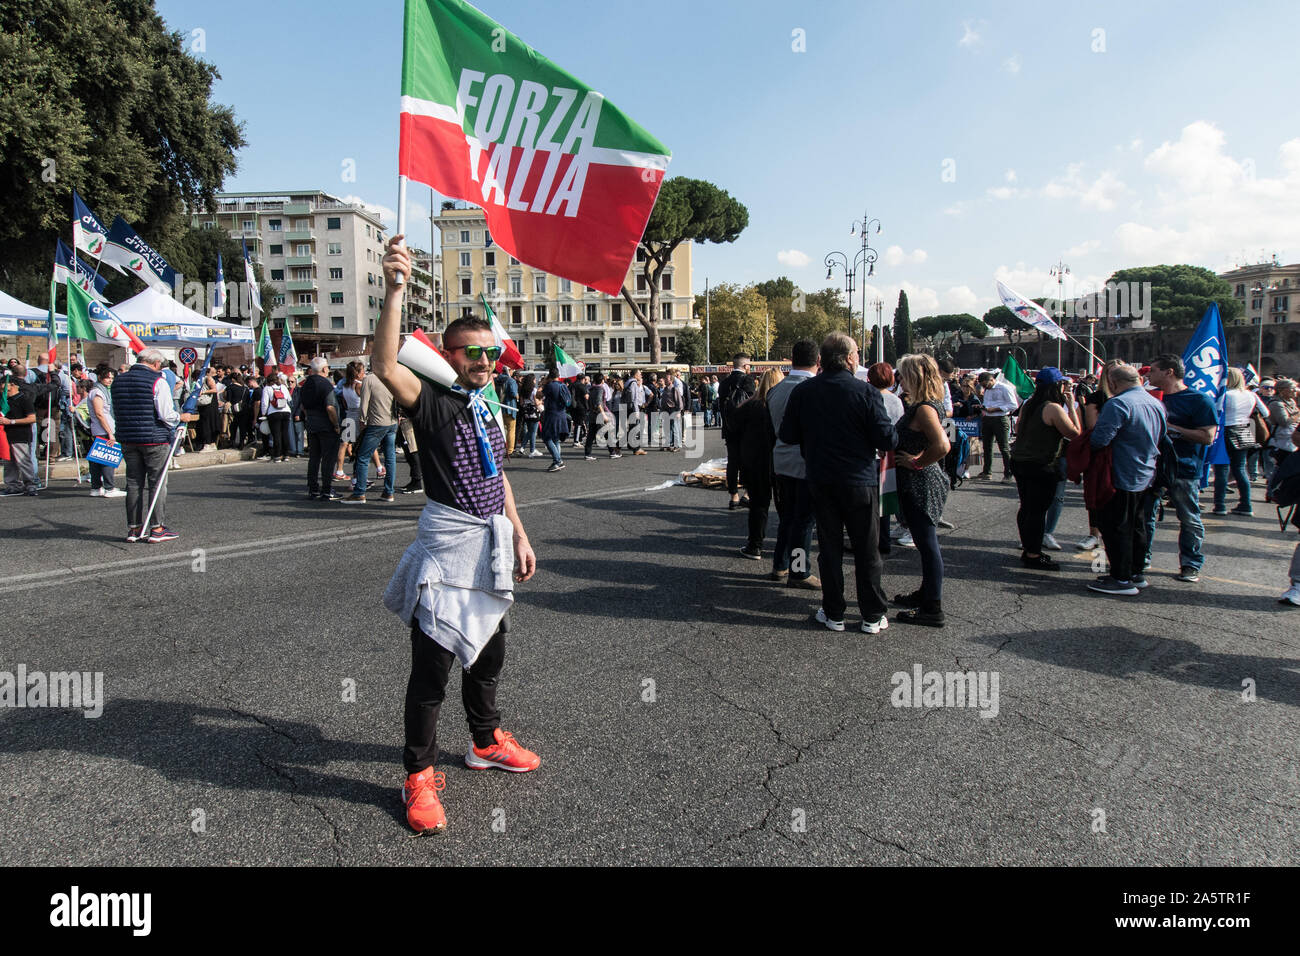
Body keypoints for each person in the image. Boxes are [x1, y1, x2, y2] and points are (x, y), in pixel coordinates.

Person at [374, 235, 540, 835]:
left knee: (491, 652)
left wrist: (519, 534)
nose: (483, 361)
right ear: (448, 355)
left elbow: (501, 483)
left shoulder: (488, 403)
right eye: (471, 353)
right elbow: (385, 366)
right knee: (432, 668)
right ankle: (417, 777)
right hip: (448, 553)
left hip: (491, 545)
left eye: (489, 353)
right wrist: (394, 290)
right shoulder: (437, 400)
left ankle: (484, 739)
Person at [779, 332, 898, 634]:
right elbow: (887, 437)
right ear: (848, 358)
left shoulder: (805, 392)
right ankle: (871, 614)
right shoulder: (866, 392)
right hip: (859, 478)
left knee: (830, 548)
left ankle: (834, 612)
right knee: (867, 549)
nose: (859, 357)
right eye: (857, 352)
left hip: (821, 478)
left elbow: (788, 434)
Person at [1088, 363, 1166, 596]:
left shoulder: (1118, 403)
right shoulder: (1156, 402)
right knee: (1137, 525)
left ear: (1113, 383)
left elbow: (1100, 439)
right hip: (1147, 472)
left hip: (1121, 473)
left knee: (1116, 527)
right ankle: (1135, 572)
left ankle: (1121, 578)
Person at [1142, 354, 1217, 584]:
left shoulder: (1198, 400)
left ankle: (1190, 564)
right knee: (1145, 515)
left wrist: (1171, 427)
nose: (1148, 375)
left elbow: (1207, 437)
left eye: (1153, 370)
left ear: (1169, 372)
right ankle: (1142, 558)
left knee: (1188, 517)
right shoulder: (1150, 397)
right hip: (1152, 466)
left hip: (1184, 468)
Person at [112, 349, 198, 543]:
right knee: (157, 484)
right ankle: (157, 528)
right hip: (154, 438)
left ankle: (133, 528)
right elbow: (166, 414)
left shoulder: (118, 381)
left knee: (133, 483)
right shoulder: (157, 381)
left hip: (128, 438)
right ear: (156, 364)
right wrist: (181, 417)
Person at [892, 355, 952, 627]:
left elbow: (943, 446)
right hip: (922, 479)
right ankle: (927, 593)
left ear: (914, 376)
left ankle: (932, 607)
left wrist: (916, 462)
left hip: (920, 481)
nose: (900, 380)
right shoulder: (925, 404)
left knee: (927, 544)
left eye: (903, 375)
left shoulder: (924, 409)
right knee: (925, 542)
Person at [1008, 368, 1081, 571]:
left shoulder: (1030, 404)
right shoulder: (1053, 408)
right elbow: (1074, 433)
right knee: (1038, 510)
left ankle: (1029, 547)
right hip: (1041, 465)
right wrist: (1072, 407)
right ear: (1057, 386)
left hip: (1021, 461)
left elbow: (1019, 429)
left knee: (1027, 507)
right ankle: (1033, 553)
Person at [766, 340, 820, 588]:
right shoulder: (813, 388)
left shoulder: (776, 389)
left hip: (781, 459)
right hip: (806, 462)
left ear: (791, 359)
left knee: (787, 517)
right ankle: (799, 570)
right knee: (805, 520)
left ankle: (781, 564)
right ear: (818, 360)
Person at [732, 368, 784, 560]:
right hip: (779, 460)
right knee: (785, 507)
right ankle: (783, 549)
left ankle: (755, 546)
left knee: (758, 505)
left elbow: (734, 424)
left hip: (754, 461)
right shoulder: (780, 404)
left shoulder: (751, 405)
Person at [344, 367, 401, 502]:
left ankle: (359, 493)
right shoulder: (391, 376)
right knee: (390, 457)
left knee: (362, 457)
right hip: (392, 421)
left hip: (376, 422)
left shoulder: (369, 380)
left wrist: (362, 421)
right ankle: (389, 491)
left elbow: (364, 404)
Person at [1213, 367, 1258, 516]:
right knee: (1240, 469)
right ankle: (1246, 504)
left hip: (1225, 430)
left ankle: (1219, 505)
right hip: (1244, 429)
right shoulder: (1251, 395)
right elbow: (1266, 413)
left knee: (1221, 469)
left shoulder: (1225, 395)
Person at [300, 357, 342, 501]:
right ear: (324, 369)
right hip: (326, 426)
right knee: (328, 459)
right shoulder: (326, 384)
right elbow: (330, 407)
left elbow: (303, 407)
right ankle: (326, 489)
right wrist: (336, 425)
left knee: (314, 458)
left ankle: (313, 488)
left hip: (312, 424)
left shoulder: (306, 384)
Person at [719, 354, 755, 507]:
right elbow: (752, 405)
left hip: (729, 427)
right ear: (745, 366)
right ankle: (747, 493)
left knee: (732, 461)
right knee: (748, 460)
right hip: (746, 429)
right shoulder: (748, 381)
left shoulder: (724, 383)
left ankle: (733, 495)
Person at [87, 365, 124, 498]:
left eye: (112, 378)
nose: (110, 380)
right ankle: (109, 488)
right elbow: (99, 413)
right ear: (100, 377)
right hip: (103, 429)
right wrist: (110, 432)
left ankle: (96, 487)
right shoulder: (98, 392)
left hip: (102, 428)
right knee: (107, 459)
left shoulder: (101, 390)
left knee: (97, 460)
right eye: (107, 378)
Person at [976, 371, 1019, 480]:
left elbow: (1013, 405)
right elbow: (988, 403)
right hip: (987, 418)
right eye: (983, 386)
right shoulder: (987, 390)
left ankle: (1008, 473)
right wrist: (982, 406)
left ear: (991, 379)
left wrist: (995, 409)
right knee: (987, 447)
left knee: (1004, 447)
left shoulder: (1004, 388)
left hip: (1000, 419)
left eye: (986, 385)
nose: (985, 387)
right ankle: (987, 472)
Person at [1, 374, 39, 496]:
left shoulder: (24, 399)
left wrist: (11, 422)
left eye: (3, 387)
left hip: (20, 434)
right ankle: (13, 485)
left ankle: (30, 484)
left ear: (12, 385)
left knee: (23, 461)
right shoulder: (3, 400)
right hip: (6, 436)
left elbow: (32, 418)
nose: (3, 391)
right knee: (8, 462)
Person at [540, 371, 571, 472]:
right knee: (556, 439)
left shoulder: (550, 386)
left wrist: (542, 384)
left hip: (551, 415)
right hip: (562, 414)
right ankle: (558, 461)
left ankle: (557, 461)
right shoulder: (563, 385)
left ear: (550, 377)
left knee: (547, 438)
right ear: (558, 376)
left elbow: (538, 395)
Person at [1266, 377, 1299, 471]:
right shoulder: (1276, 404)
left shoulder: (1291, 402)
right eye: (1292, 388)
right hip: (1281, 440)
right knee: (1280, 466)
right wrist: (1298, 415)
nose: (1294, 390)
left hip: (1291, 439)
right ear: (1281, 390)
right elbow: (1285, 422)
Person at [517, 373, 541, 457]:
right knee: (533, 432)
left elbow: (521, 402)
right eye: (534, 380)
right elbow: (536, 402)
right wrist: (541, 401)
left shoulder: (523, 390)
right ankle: (532, 450)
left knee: (530, 431)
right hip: (534, 411)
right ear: (532, 381)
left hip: (526, 412)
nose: (535, 381)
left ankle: (522, 448)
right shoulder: (534, 390)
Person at [661, 370, 685, 451]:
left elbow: (679, 401)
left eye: (667, 379)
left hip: (673, 410)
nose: (665, 379)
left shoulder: (674, 389)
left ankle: (677, 445)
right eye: (665, 378)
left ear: (671, 380)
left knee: (675, 428)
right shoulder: (665, 389)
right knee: (667, 428)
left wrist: (678, 411)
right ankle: (668, 444)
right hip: (666, 410)